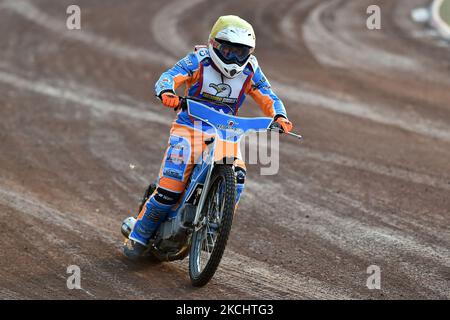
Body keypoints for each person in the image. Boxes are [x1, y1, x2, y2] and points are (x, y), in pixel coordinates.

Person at [123, 15, 293, 258]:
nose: (234, 58)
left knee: (239, 177)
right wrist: (167, 91)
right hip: (189, 129)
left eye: (240, 52)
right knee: (169, 189)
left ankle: (213, 229)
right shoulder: (198, 60)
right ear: (214, 45)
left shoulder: (252, 69)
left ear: (250, 52)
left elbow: (268, 95)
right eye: (228, 50)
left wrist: (280, 116)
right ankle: (138, 236)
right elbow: (170, 76)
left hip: (227, 133)